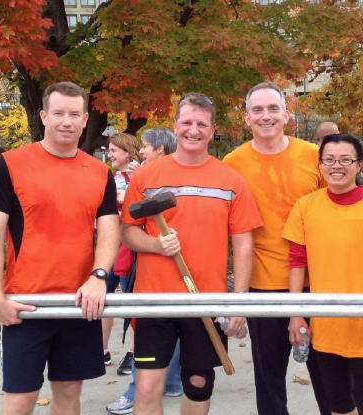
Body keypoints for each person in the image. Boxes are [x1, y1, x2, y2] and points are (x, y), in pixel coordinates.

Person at [0, 81, 120, 415]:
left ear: (85, 119)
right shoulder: (9, 165)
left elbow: (110, 231)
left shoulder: (100, 172)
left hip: (79, 302)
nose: (66, 121)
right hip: (26, 304)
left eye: (74, 114)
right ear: (44, 116)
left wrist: (99, 276)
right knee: (20, 399)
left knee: (69, 394)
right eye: (58, 113)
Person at [120, 93, 262, 415]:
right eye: (186, 122)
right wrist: (156, 245)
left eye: (201, 124)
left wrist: (238, 302)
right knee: (147, 387)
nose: (193, 130)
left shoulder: (231, 180)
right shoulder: (146, 176)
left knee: (198, 384)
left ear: (212, 130)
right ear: (175, 127)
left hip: (206, 300)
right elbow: (128, 230)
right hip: (154, 301)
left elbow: (243, 244)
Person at [223, 82, 331, 415]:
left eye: (273, 108)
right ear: (246, 118)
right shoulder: (233, 163)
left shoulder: (313, 156)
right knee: (269, 379)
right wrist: (236, 299)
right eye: (257, 110)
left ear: (286, 115)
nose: (265, 116)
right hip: (263, 284)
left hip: (317, 282)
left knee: (329, 378)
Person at [283, 133, 363, 415]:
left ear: (359, 165)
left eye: (345, 160)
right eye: (329, 160)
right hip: (325, 323)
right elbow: (297, 262)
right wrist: (295, 314)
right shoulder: (306, 206)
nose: (336, 166)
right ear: (320, 165)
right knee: (337, 401)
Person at [106, 127, 182, 415]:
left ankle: (139, 390)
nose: (141, 152)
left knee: (146, 325)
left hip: (154, 265)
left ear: (160, 149)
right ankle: (170, 381)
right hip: (141, 259)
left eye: (146, 147)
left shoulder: (154, 176)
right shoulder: (142, 175)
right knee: (155, 323)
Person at [103, 132, 143, 373]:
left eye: (113, 151)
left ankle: (133, 351)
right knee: (102, 296)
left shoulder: (142, 175)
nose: (109, 155)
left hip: (132, 248)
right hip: (110, 246)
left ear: (127, 152)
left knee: (131, 298)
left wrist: (126, 196)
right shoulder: (110, 178)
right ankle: (101, 350)